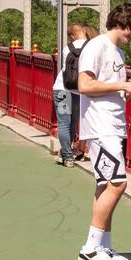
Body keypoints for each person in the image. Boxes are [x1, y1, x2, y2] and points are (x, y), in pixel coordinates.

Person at [75, 3, 131, 260]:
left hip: (113, 124)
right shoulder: (96, 47)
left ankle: (103, 246)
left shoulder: (116, 51)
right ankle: (91, 248)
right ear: (124, 23)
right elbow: (85, 85)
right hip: (101, 125)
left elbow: (105, 87)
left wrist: (128, 91)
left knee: (105, 185)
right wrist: (121, 85)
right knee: (117, 184)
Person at [53, 24, 88, 166]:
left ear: (72, 36)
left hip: (62, 89)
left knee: (63, 123)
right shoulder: (92, 48)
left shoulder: (67, 49)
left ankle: (67, 156)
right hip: (79, 90)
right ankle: (67, 152)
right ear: (84, 31)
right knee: (73, 122)